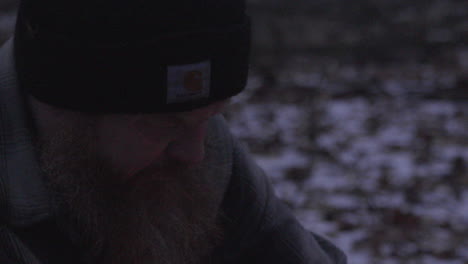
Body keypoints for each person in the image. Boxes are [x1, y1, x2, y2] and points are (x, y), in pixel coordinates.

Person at [0, 0, 347, 263]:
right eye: (162, 127)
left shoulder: (197, 149)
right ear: (63, 112)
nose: (196, 154)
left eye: (211, 116)